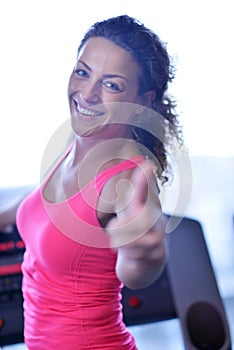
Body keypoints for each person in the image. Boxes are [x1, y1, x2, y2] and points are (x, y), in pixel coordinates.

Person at [1, 15, 182, 349]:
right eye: (83, 72)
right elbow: (44, 199)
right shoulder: (77, 139)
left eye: (112, 85)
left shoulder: (127, 179)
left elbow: (137, 266)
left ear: (142, 101)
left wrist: (143, 258)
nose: (87, 93)